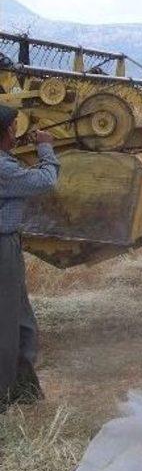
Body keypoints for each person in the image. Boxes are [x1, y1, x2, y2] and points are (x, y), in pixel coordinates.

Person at [0, 104, 59, 411]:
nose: (15, 132)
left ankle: (24, 391)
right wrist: (46, 148)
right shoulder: (2, 168)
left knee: (21, 319)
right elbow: (45, 182)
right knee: (5, 323)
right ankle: (4, 397)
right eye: (12, 128)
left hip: (8, 244)